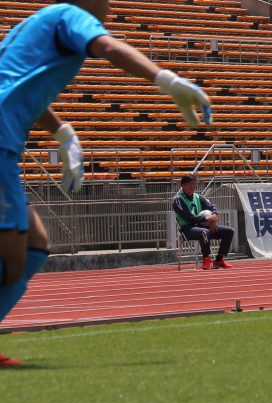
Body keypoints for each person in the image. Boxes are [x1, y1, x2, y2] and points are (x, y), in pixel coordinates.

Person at [0, 0, 212, 366]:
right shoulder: (71, 15)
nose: (109, 7)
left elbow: (23, 90)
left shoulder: (37, 25)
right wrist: (167, 80)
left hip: (6, 147)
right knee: (11, 261)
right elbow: (109, 47)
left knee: (35, 244)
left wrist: (63, 133)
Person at [173, 175, 234, 270]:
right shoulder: (178, 201)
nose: (193, 186)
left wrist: (213, 220)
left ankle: (219, 259)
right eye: (190, 184)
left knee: (229, 231)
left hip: (202, 226)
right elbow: (190, 218)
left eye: (194, 184)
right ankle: (206, 258)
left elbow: (213, 208)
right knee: (204, 232)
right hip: (187, 229)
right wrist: (207, 218)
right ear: (183, 186)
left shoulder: (199, 197)